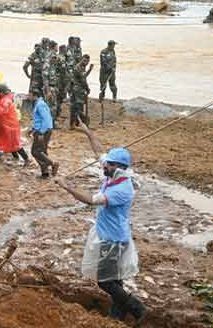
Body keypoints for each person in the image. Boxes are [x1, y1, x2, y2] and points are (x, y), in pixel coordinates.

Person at [56, 122, 147, 323]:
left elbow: (91, 200)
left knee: (105, 282)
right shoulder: (113, 172)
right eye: (107, 163)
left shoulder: (122, 189)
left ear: (120, 168)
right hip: (111, 234)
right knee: (115, 278)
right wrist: (88, 132)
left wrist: (67, 186)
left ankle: (137, 307)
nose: (104, 165)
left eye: (109, 164)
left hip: (113, 239)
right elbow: (99, 151)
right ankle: (117, 314)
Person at [0, 84, 30, 166]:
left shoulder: (6, 101)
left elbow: (1, 112)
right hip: (1, 124)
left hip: (10, 126)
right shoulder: (0, 98)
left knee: (14, 144)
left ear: (1, 92)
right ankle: (14, 157)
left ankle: (26, 159)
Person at [27, 89, 57, 178]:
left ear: (34, 95)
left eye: (30, 95)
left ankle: (53, 163)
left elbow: (47, 120)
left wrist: (40, 132)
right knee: (42, 151)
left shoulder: (40, 105)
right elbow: (39, 119)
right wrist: (33, 129)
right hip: (42, 130)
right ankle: (45, 172)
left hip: (43, 131)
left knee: (35, 151)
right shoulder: (39, 103)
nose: (28, 97)